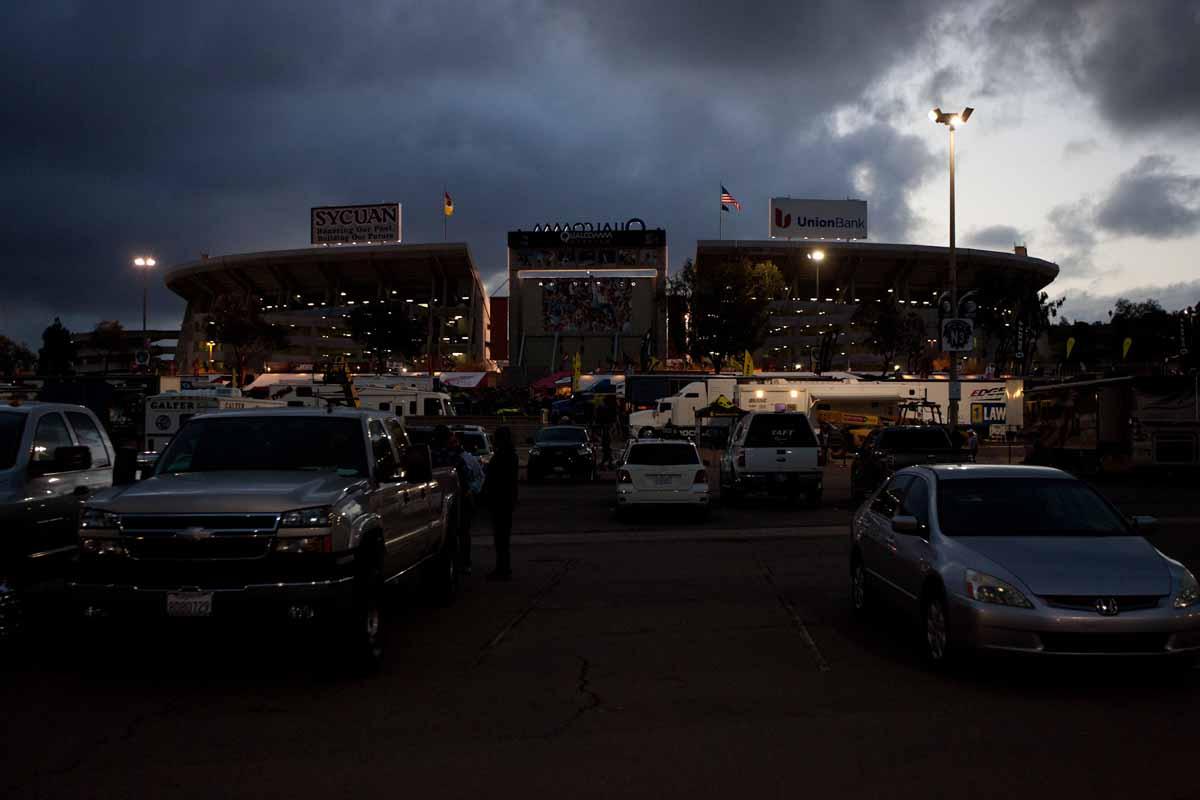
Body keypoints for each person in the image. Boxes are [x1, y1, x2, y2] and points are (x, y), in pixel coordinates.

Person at [430, 426, 473, 574]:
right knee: (462, 532)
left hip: (434, 501)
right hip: (456, 501)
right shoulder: (456, 457)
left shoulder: (431, 457)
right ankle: (464, 563)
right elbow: (466, 478)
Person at [483, 426, 519, 580]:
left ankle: (503, 568)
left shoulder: (503, 456)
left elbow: (497, 478)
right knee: (502, 536)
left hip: (501, 500)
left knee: (501, 537)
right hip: (506, 500)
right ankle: (503, 567)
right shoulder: (510, 455)